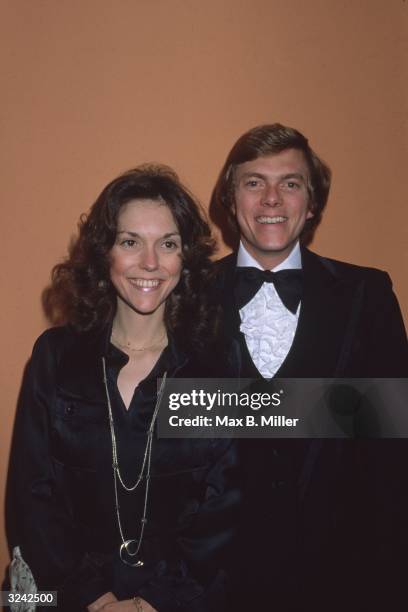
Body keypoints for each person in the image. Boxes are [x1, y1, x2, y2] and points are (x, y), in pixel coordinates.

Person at [7, 165, 240, 612]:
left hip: (183, 600)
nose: (150, 263)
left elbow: (226, 506)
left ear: (185, 257)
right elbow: (31, 496)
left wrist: (150, 602)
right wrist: (93, 598)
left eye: (167, 244)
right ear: (104, 253)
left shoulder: (218, 363)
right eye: (130, 242)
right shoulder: (56, 357)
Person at [210, 124, 408, 610]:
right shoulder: (184, 296)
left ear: (312, 202)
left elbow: (392, 452)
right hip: (212, 583)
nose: (271, 199)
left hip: (343, 579)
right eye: (254, 182)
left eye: (291, 183)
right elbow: (168, 427)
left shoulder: (369, 293)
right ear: (230, 198)